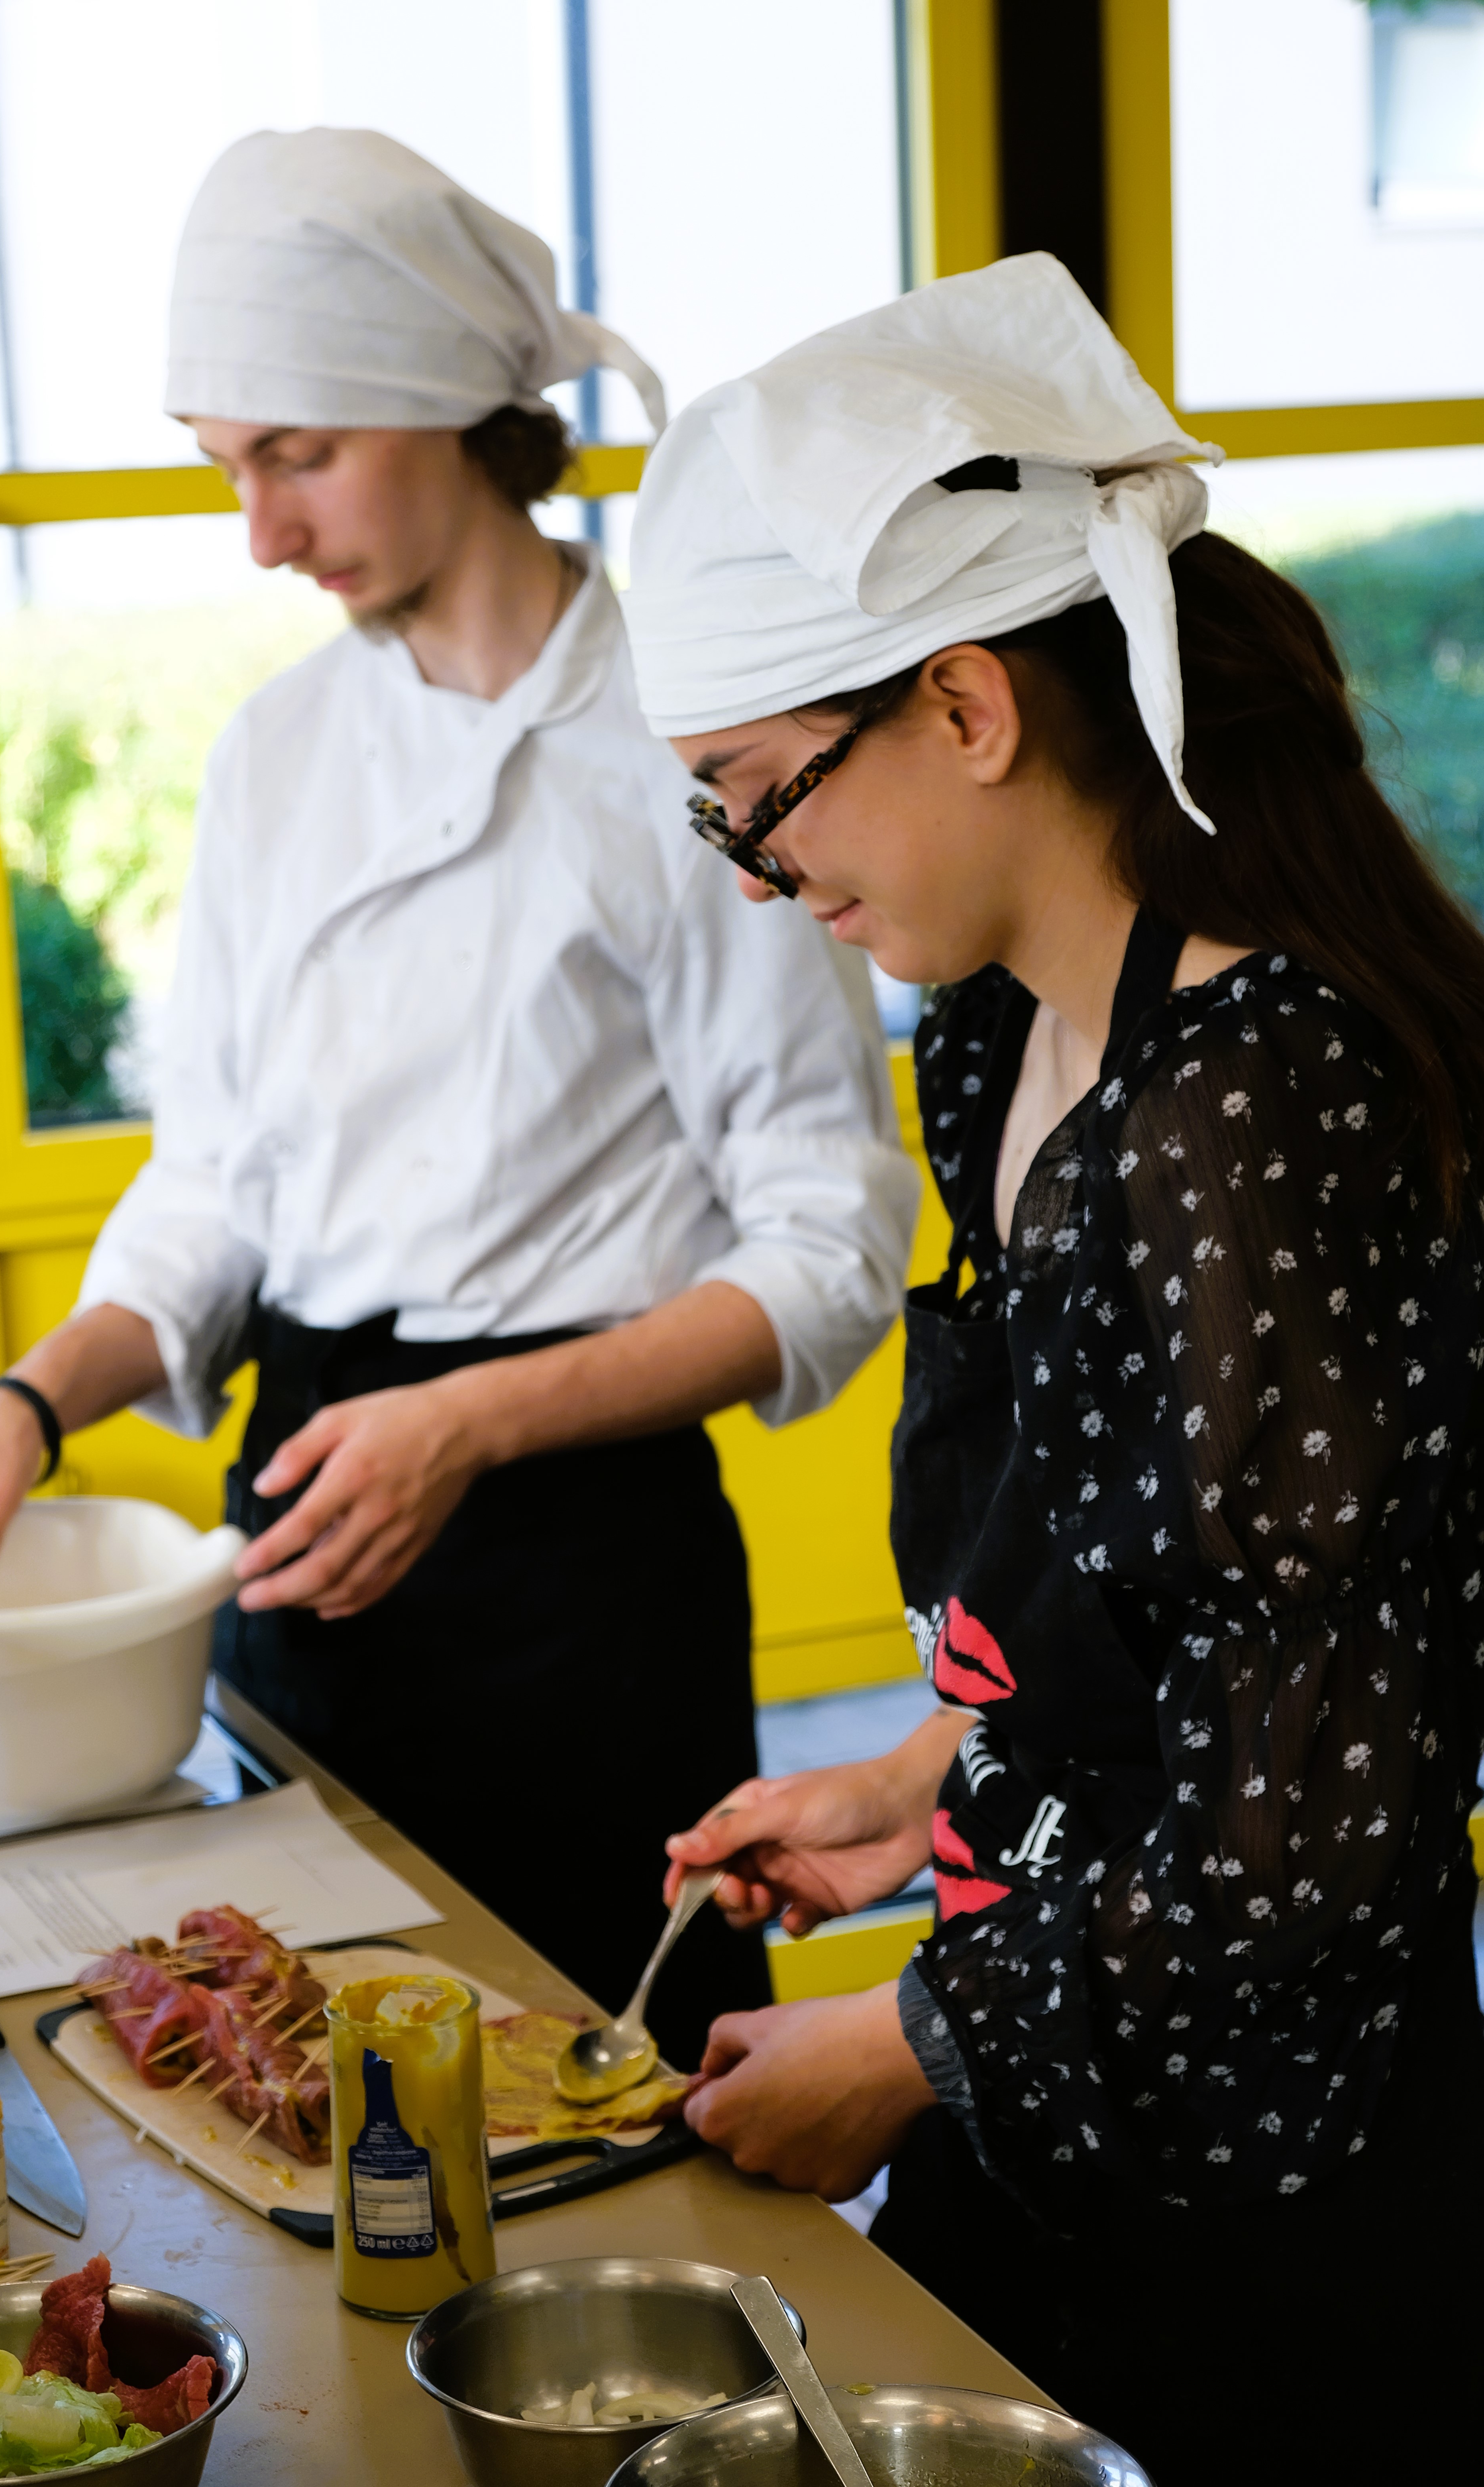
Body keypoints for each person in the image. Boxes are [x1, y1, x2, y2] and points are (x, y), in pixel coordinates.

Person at [0, 131, 919, 2071]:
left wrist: (468, 1425)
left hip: (582, 1573)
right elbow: (218, 1187)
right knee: (309, 2082)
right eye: (226, 466)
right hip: (308, 1535)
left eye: (295, 454)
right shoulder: (278, 756)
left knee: (618, 2116)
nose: (261, 534)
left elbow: (831, 1243)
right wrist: (28, 1406)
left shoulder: (682, 743)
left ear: (450, 403)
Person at [622, 253, 1484, 2479]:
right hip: (1063, 2102)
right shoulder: (1005, 1033)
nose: (748, 868)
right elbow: (1147, 1598)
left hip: (1251, 2208)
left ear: (972, 708)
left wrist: (909, 2039)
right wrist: (932, 1777)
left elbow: (1316, 1837)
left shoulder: (1255, 1111)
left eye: (754, 793)